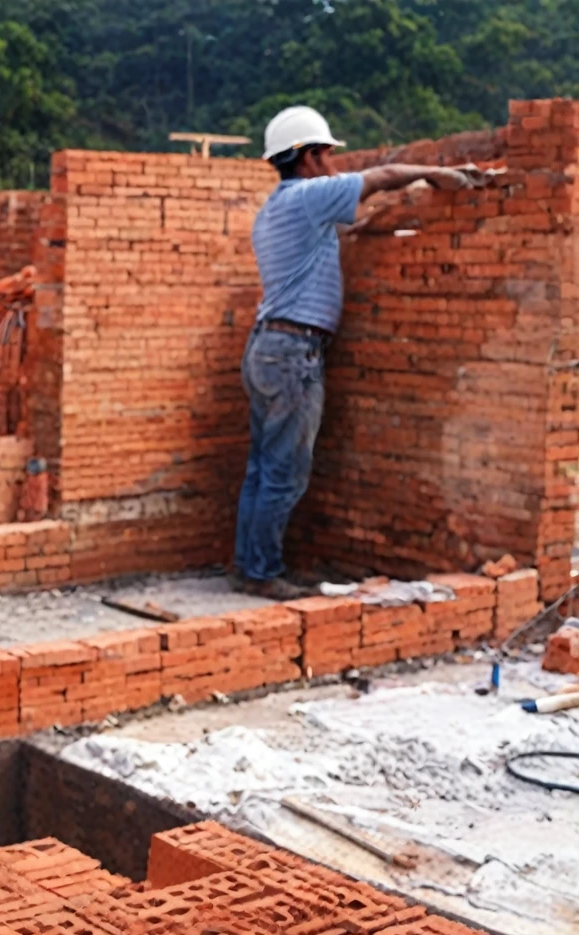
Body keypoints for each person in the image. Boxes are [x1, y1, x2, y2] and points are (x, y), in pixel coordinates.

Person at [233, 105, 487, 600]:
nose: (332, 163)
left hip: (267, 348)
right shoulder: (310, 195)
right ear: (306, 157)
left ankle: (247, 566)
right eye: (327, 154)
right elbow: (385, 175)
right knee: (284, 471)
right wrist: (439, 174)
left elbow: (343, 231)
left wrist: (382, 220)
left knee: (263, 466)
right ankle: (261, 573)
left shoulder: (278, 210)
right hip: (293, 354)